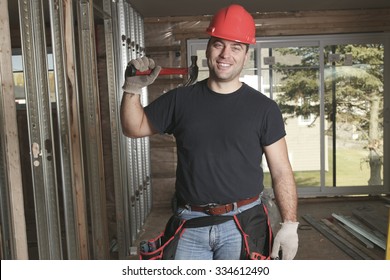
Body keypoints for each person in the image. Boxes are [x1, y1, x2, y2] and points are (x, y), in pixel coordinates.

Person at [120, 4, 298, 260]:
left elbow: (281, 171)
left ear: (246, 55)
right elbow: (133, 127)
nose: (226, 54)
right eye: (218, 44)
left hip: (243, 223)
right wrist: (132, 90)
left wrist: (290, 224)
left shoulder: (264, 109)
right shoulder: (180, 100)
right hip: (189, 222)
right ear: (208, 47)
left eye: (236, 47)